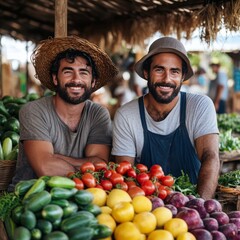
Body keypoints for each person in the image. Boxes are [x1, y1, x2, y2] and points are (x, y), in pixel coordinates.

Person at [112, 36, 220, 199]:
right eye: (159, 69)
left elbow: (210, 156)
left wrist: (200, 205)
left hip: (194, 200)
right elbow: (127, 176)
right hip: (148, 208)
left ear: (183, 76)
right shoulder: (127, 115)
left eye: (174, 71)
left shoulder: (199, 106)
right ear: (147, 73)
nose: (166, 79)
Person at [9, 36, 118, 189]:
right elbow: (46, 168)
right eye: (68, 72)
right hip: (28, 199)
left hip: (79, 198)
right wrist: (87, 169)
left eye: (83, 73)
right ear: (55, 78)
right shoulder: (33, 111)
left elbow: (100, 164)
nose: (76, 79)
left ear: (93, 82)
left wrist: (56, 158)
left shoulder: (98, 114)